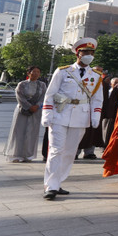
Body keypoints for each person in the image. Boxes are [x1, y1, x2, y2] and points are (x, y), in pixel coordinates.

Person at [41, 38, 104, 200]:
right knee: (56, 150)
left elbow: (97, 98)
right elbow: (50, 94)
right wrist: (47, 113)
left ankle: (58, 181)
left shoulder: (96, 75)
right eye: (86, 52)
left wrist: (95, 115)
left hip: (81, 117)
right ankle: (51, 186)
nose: (89, 55)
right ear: (78, 53)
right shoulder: (63, 71)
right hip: (60, 114)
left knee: (69, 153)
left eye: (91, 53)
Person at [4, 66, 46, 162]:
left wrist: (37, 106)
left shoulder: (42, 85)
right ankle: (16, 155)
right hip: (22, 110)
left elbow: (43, 97)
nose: (35, 73)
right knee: (19, 132)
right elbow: (20, 97)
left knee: (32, 133)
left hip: (36, 111)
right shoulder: (22, 84)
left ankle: (28, 155)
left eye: (38, 72)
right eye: (33, 71)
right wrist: (29, 106)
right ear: (29, 73)